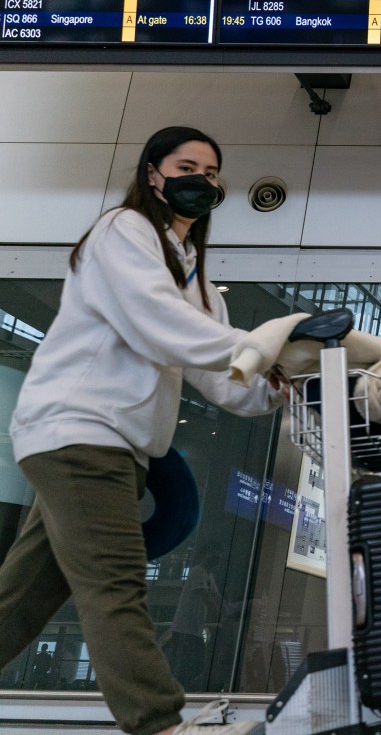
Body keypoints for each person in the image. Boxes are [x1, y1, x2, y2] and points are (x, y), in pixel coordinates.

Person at [0, 126, 284, 735]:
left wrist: (279, 383)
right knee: (115, 584)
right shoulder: (122, 231)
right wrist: (267, 348)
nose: (201, 181)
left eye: (211, 174)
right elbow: (156, 322)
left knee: (20, 601)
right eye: (187, 167)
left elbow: (224, 381)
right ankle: (159, 723)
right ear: (153, 173)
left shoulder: (198, 276)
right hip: (81, 431)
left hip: (117, 445)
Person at [161, 545, 224, 691]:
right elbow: (206, 597)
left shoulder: (209, 575)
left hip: (194, 629)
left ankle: (185, 689)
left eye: (219, 556)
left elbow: (217, 597)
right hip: (184, 629)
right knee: (186, 664)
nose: (217, 559)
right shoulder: (198, 572)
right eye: (214, 555)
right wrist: (221, 616)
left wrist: (227, 610)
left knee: (195, 663)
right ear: (205, 555)